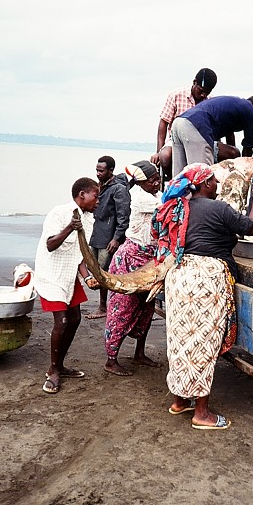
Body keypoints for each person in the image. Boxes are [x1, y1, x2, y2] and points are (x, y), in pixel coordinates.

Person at [152, 163, 253, 430]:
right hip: (205, 280)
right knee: (203, 344)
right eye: (213, 181)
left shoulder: (179, 208)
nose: (217, 185)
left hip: (179, 277)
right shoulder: (219, 208)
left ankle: (180, 401)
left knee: (180, 340)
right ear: (203, 184)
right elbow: (249, 226)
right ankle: (201, 413)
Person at [35, 177, 100, 394]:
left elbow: (80, 253)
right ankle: (53, 371)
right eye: (95, 196)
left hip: (69, 275)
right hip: (52, 275)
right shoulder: (60, 213)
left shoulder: (89, 219)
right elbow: (51, 244)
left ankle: (60, 365)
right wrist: (70, 228)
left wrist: (87, 276)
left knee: (75, 319)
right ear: (82, 195)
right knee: (61, 322)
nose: (98, 201)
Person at [103, 160, 162, 376]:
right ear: (140, 182)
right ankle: (111, 359)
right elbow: (167, 206)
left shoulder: (153, 194)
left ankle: (139, 353)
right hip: (131, 259)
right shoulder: (139, 197)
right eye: (152, 180)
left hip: (149, 261)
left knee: (146, 308)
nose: (157, 183)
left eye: (158, 178)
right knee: (122, 307)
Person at [171, 95, 253, 176]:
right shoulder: (252, 112)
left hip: (179, 122)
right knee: (203, 176)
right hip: (196, 125)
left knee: (178, 177)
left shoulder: (236, 105)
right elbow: (248, 147)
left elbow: (230, 135)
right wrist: (245, 169)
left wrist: (234, 160)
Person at [150, 68, 218, 180]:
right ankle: (175, 181)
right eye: (200, 90)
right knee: (165, 157)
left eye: (206, 92)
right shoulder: (176, 95)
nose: (202, 95)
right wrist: (158, 151)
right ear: (194, 82)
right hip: (176, 140)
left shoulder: (210, 100)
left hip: (201, 140)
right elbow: (163, 122)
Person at [87, 155, 131, 320]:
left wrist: (116, 238)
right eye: (97, 170)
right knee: (97, 272)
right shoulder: (101, 185)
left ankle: (104, 306)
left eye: (101, 170)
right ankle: (104, 305)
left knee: (104, 274)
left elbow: (123, 216)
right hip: (97, 233)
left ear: (111, 170)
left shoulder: (118, 188)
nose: (98, 173)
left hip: (109, 238)